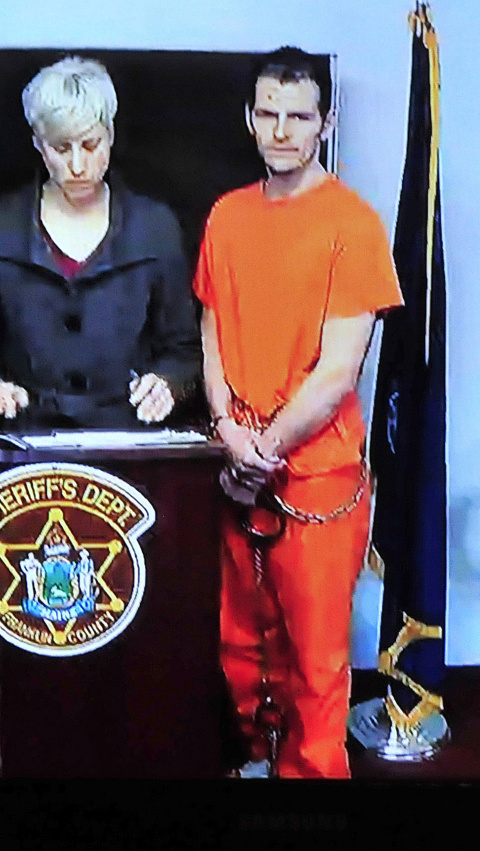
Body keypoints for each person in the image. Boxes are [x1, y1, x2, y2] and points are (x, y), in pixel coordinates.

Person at [194, 47, 403, 778]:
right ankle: (261, 763)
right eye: (268, 113)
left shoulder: (354, 223)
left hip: (316, 481)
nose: (282, 129)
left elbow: (340, 368)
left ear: (325, 122)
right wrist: (227, 430)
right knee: (243, 651)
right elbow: (212, 331)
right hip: (236, 472)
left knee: (315, 667)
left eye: (299, 116)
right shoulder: (225, 216)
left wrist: (263, 449)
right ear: (250, 119)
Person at [0, 56, 200, 429]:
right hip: (29, 441)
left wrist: (168, 383)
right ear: (38, 143)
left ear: (111, 136)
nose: (79, 165)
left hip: (126, 439)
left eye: (91, 144)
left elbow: (183, 350)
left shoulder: (154, 227)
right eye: (62, 149)